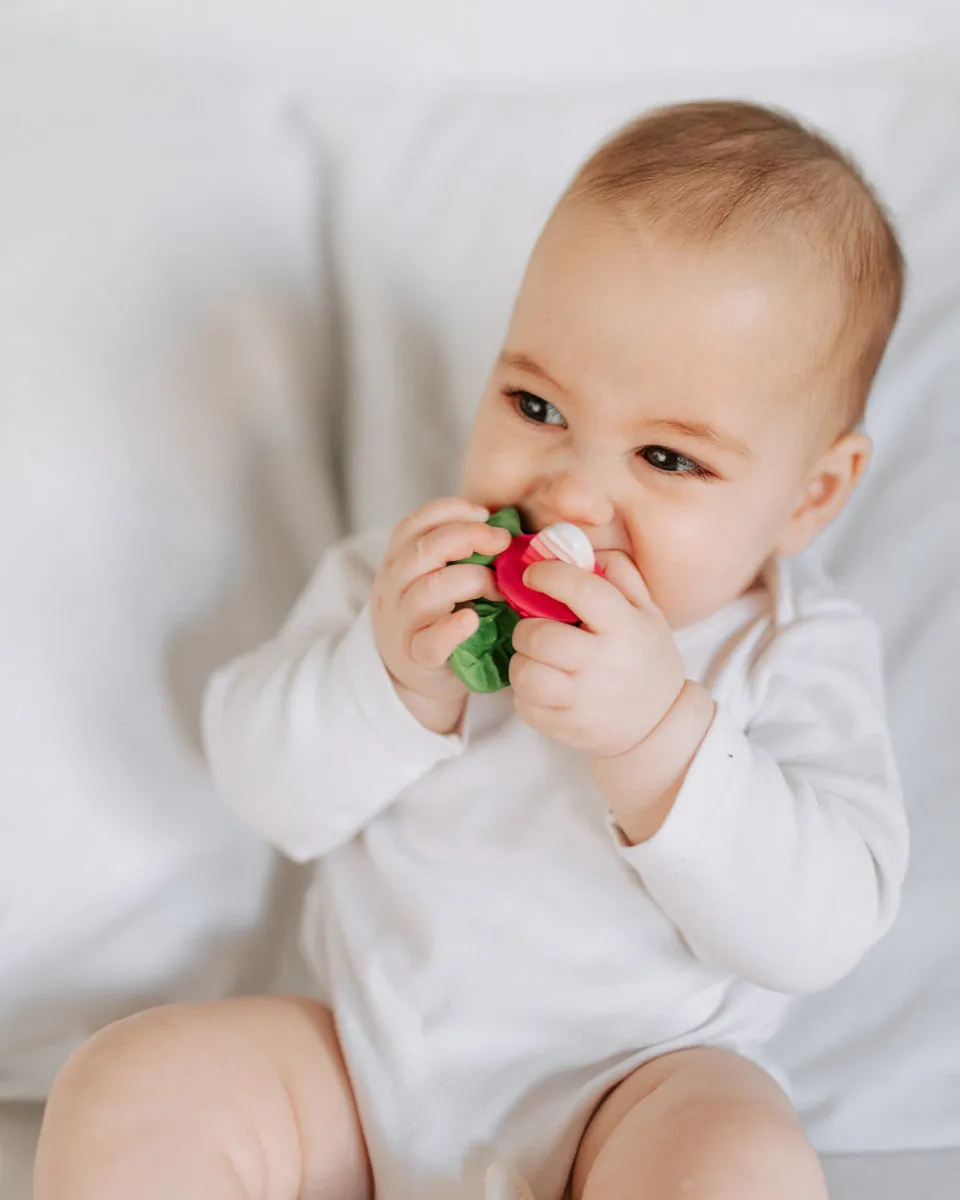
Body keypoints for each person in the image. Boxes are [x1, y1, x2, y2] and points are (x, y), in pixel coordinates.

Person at [34, 100, 909, 1200]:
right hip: (359, 1080)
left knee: (745, 1165)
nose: (573, 494)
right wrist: (388, 682)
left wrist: (658, 737)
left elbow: (821, 928)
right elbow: (261, 784)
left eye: (668, 459)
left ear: (811, 495)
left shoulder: (795, 652)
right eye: (536, 403)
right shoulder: (406, 588)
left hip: (637, 1096)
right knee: (129, 1083)